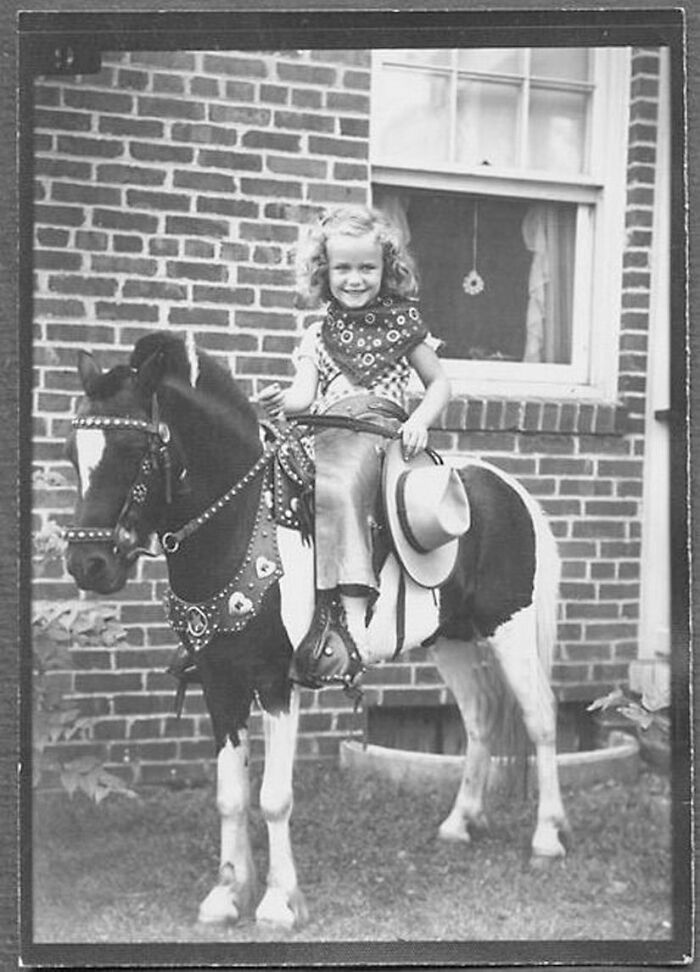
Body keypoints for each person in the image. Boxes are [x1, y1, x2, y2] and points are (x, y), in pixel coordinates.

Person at [259, 205, 450, 671]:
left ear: (387, 270)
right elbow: (304, 399)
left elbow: (440, 384)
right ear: (325, 272)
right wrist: (277, 404)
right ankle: (256, 607)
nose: (355, 279)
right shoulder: (318, 334)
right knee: (261, 474)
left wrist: (420, 419)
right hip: (324, 428)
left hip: (378, 430)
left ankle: (348, 618)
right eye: (343, 268)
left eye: (367, 267)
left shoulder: (406, 327)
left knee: (339, 484)